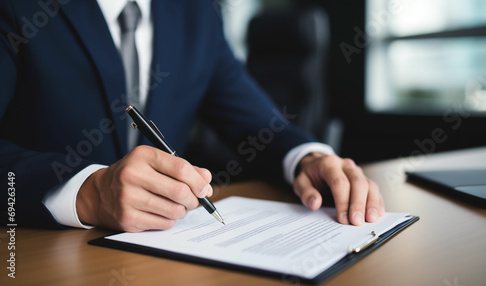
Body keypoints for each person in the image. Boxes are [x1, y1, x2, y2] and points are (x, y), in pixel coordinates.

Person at [0, 0, 384, 232]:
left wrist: (309, 158)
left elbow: (260, 125)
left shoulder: (196, 12)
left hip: (162, 252)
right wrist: (87, 193)